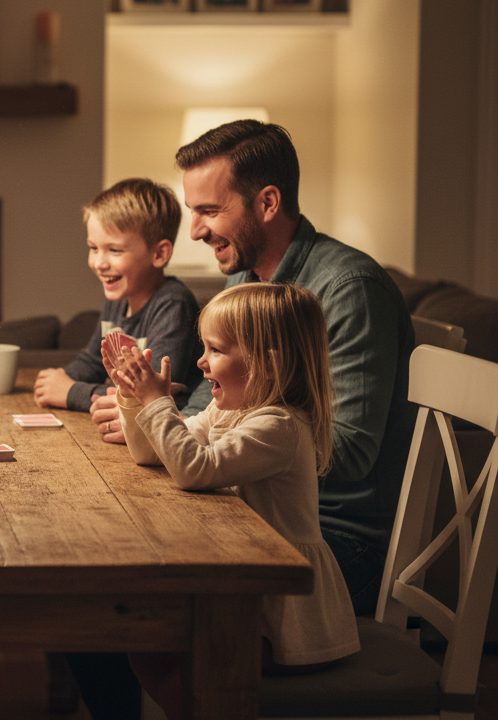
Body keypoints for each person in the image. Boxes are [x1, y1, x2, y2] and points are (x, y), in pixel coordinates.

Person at [91, 119, 416, 613]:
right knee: (105, 549)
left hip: (333, 542)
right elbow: (210, 394)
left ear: (267, 203)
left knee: (123, 599)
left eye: (209, 211)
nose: (195, 231)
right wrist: (165, 422)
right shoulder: (247, 279)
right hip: (247, 505)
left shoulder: (350, 290)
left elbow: (347, 452)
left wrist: (203, 442)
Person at [106, 283, 360, 720]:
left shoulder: (279, 426)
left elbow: (193, 469)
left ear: (267, 363)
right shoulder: (230, 410)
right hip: (245, 584)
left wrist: (159, 403)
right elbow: (153, 454)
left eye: (215, 350)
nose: (201, 361)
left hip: (286, 619)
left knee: (179, 660)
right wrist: (135, 398)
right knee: (145, 643)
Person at [34, 178, 202, 415]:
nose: (99, 263)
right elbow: (93, 361)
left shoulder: (173, 304)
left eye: (114, 250)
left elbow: (151, 395)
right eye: (93, 248)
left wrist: (71, 392)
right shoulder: (119, 298)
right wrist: (59, 379)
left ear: (160, 254)